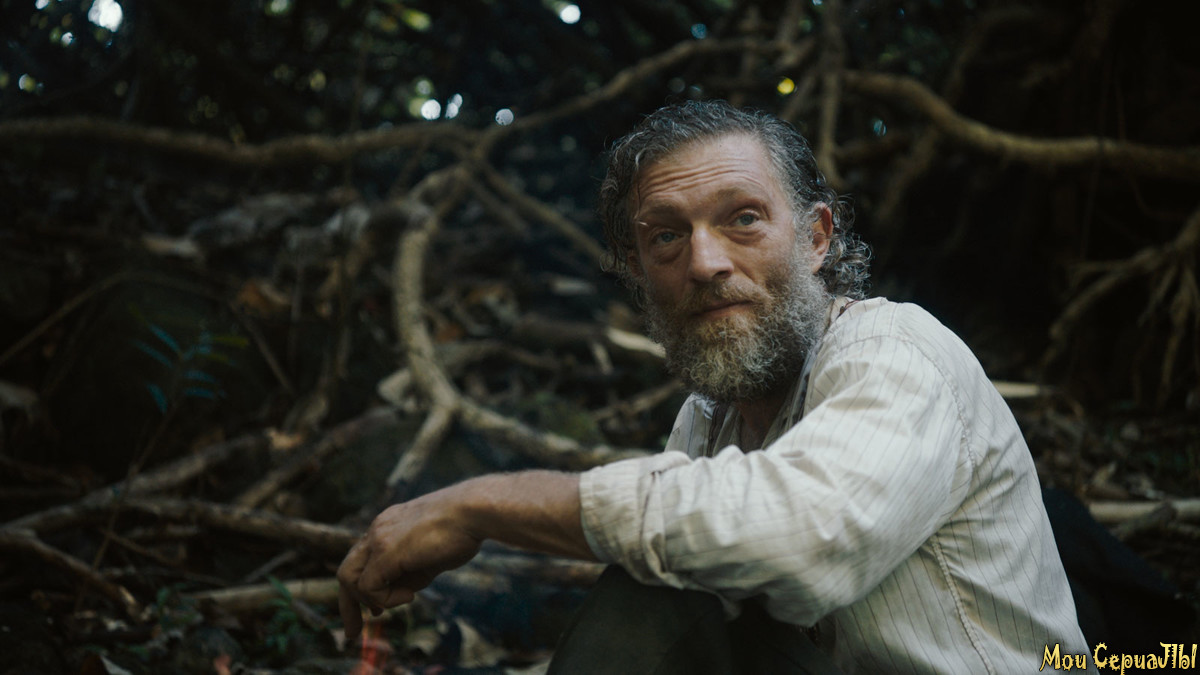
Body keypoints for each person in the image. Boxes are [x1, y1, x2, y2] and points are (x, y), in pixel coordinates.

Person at [337, 100, 1094, 673]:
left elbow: (799, 537)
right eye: (667, 235)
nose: (704, 263)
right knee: (662, 580)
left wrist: (480, 505)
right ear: (640, 272)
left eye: (743, 219)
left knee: (660, 583)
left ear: (816, 238)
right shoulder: (706, 421)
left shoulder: (897, 352)